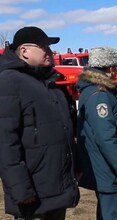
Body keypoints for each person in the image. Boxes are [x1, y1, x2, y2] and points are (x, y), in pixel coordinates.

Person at [0, 26, 80, 220]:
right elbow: (5, 143)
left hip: (57, 188)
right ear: (24, 51)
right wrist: (21, 188)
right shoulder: (8, 82)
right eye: (44, 47)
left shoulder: (50, 83)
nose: (50, 53)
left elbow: (64, 131)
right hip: (33, 193)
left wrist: (76, 167)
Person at [76, 47, 117, 220]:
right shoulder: (99, 95)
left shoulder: (92, 91)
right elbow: (106, 137)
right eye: (115, 67)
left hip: (102, 164)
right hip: (106, 167)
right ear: (109, 69)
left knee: (106, 210)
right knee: (111, 212)